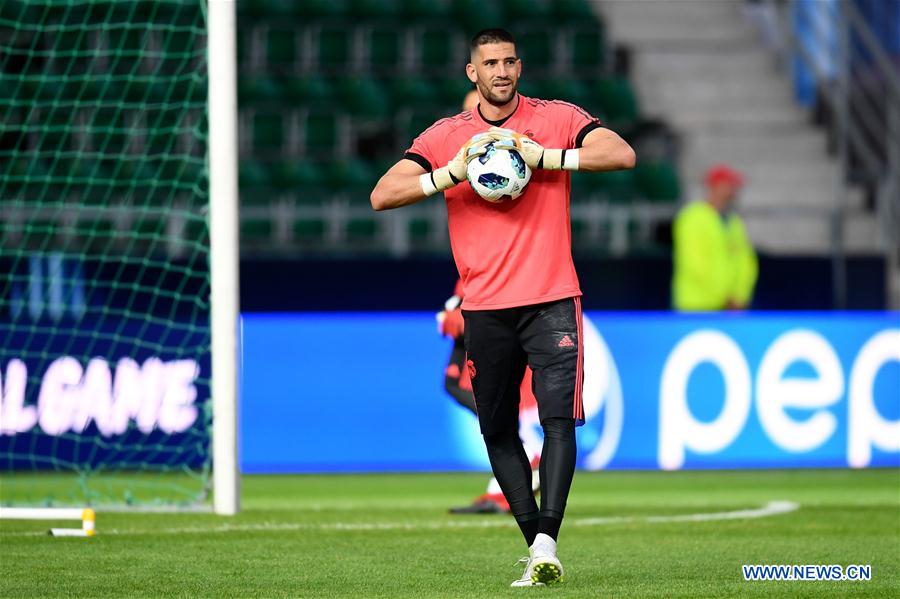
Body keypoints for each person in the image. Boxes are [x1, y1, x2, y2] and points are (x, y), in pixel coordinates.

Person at [370, 28, 635, 586]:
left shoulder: (557, 118)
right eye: (490, 63)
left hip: (553, 296)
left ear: (521, 67)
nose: (501, 71)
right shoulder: (448, 137)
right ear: (473, 73)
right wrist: (450, 173)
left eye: (510, 61)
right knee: (496, 430)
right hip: (484, 306)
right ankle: (535, 544)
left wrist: (550, 158)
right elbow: (382, 194)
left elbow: (622, 153)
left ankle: (547, 541)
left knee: (558, 421)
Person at [438, 279, 541, 515]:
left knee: (490, 398)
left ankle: (520, 461)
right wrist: (452, 312)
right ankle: (509, 478)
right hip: (472, 323)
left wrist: (455, 317)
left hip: (485, 325)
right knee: (459, 388)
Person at [672, 164, 758, 311]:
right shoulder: (692, 217)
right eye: (729, 185)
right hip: (696, 306)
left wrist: (740, 296)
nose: (733, 191)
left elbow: (746, 262)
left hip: (729, 308)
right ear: (716, 186)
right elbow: (695, 264)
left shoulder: (733, 221)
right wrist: (724, 297)